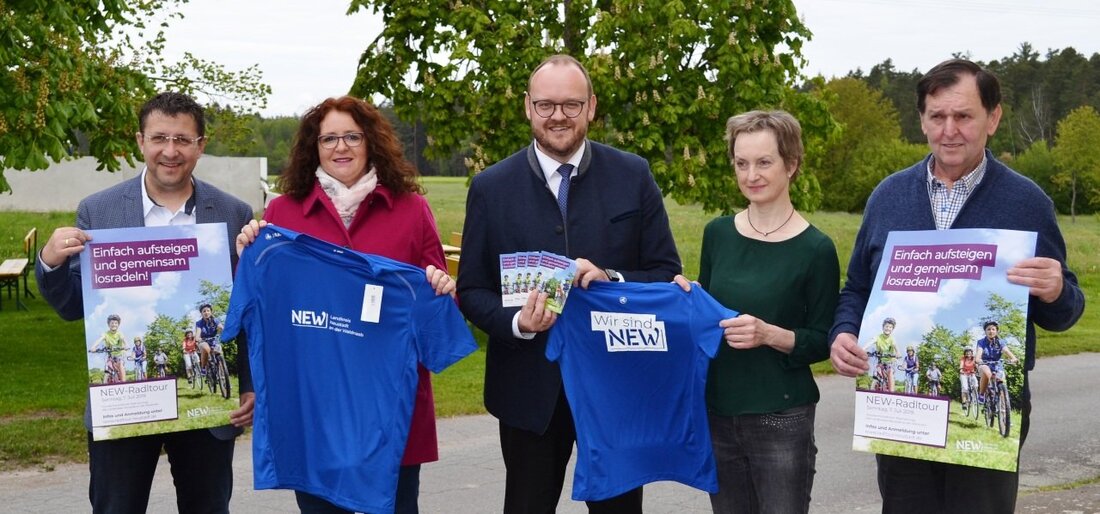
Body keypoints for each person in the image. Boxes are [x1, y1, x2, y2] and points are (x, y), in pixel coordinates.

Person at [828, 58, 1085, 512]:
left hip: (986, 438)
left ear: (994, 118)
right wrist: (843, 333)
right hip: (902, 419)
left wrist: (1056, 290)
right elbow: (857, 289)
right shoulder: (889, 197)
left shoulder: (1027, 203)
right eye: (937, 116)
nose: (950, 129)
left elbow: (1063, 313)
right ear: (922, 120)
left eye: (963, 116)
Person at [456, 54, 681, 513]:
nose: (558, 115)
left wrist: (611, 279)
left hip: (614, 388)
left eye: (571, 105)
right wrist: (516, 321)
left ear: (592, 106)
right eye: (546, 105)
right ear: (527, 107)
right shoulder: (490, 186)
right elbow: (472, 290)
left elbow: (664, 271)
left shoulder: (632, 175)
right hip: (527, 390)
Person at [35, 91, 255, 513]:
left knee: (208, 507)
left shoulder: (232, 212)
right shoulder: (98, 211)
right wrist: (49, 263)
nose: (169, 152)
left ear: (200, 146)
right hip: (124, 409)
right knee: (116, 507)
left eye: (182, 140)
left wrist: (248, 384)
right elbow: (70, 308)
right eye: (159, 138)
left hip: (208, 419)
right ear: (140, 141)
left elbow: (245, 311)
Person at [235, 95, 454, 514]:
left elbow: (436, 302)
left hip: (390, 407)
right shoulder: (282, 213)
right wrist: (249, 253)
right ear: (313, 148)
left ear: (371, 141)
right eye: (329, 138)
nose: (341, 147)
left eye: (352, 136)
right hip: (315, 407)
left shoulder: (412, 209)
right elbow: (262, 300)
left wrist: (443, 288)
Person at [675, 110, 839, 513]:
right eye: (741, 163)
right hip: (718, 410)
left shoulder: (816, 249)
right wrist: (690, 299)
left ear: (792, 164)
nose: (751, 175)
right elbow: (712, 317)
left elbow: (823, 340)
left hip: (782, 416)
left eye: (764, 162)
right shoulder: (717, 234)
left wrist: (769, 334)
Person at [976, 320, 1019, 402]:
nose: (991, 331)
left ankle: (1003, 411)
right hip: (984, 364)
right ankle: (981, 394)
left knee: (1002, 388)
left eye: (993, 329)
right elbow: (979, 354)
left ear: (996, 331)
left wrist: (1013, 358)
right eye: (988, 329)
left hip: (997, 365)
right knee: (987, 373)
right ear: (985, 331)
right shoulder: (981, 342)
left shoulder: (1000, 342)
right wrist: (978, 360)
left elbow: (1006, 351)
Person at [864, 318, 899, 391]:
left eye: (890, 327)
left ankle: (891, 393)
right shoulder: (878, 337)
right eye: (886, 326)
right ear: (883, 327)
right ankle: (876, 385)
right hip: (880, 360)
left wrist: (897, 353)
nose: (888, 328)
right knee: (877, 370)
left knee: (890, 372)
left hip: (890, 360)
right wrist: (863, 349)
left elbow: (895, 347)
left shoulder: (892, 339)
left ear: (892, 329)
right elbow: (871, 341)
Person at [92, 314, 128, 383]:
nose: (114, 324)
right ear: (108, 324)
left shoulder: (120, 334)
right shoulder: (105, 334)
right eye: (112, 323)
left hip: (119, 355)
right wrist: (94, 347)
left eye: (116, 323)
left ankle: (124, 383)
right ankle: (105, 383)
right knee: (107, 367)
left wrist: (126, 345)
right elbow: (100, 339)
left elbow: (124, 340)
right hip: (110, 355)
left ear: (118, 324)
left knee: (120, 364)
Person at [196, 303, 223, 374]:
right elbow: (198, 333)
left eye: (208, 310)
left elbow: (221, 327)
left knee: (218, 352)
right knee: (206, 349)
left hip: (214, 340)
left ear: (211, 312)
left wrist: (221, 329)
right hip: (203, 340)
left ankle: (220, 370)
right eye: (204, 311)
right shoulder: (199, 323)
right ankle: (203, 367)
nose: (206, 312)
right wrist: (198, 338)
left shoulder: (215, 320)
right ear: (201, 313)